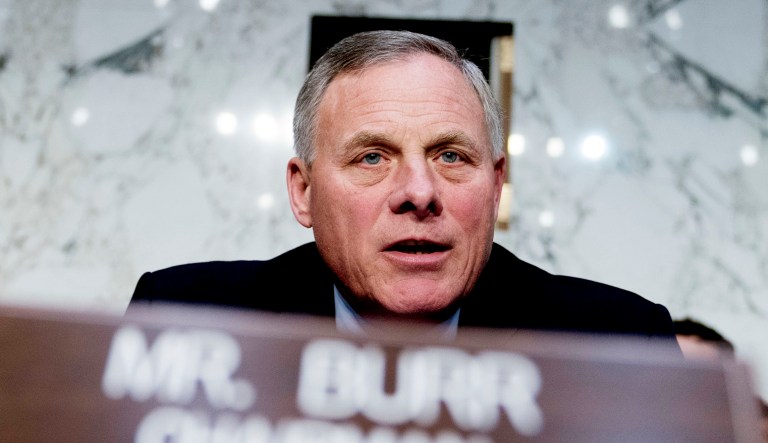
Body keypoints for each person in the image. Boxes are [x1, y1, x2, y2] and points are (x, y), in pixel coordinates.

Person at [131, 30, 676, 341]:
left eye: (451, 155)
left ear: (495, 184)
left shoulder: (619, 341)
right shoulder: (185, 319)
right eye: (372, 156)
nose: (419, 191)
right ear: (303, 192)